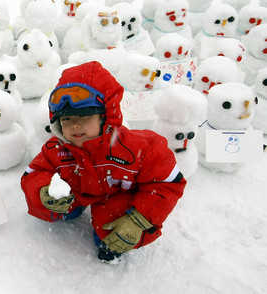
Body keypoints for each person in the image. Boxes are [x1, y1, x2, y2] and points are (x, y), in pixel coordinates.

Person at [20, 61, 186, 263]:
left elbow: (167, 183)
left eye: (85, 115)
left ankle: (116, 240)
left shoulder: (138, 148)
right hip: (79, 192)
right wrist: (44, 192)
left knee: (110, 225)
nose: (75, 125)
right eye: (66, 119)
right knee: (57, 205)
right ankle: (66, 208)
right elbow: (34, 174)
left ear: (106, 115)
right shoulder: (56, 149)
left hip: (115, 198)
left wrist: (139, 220)